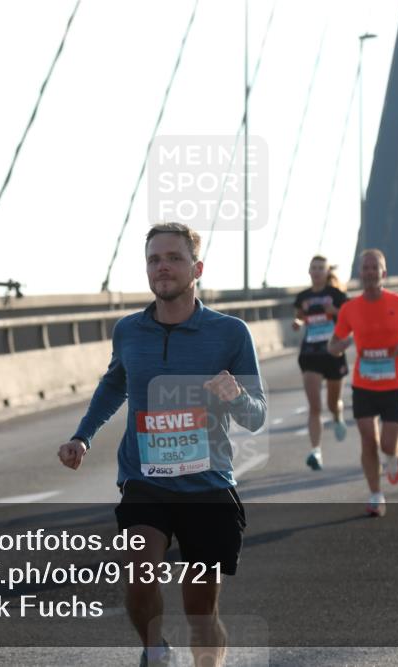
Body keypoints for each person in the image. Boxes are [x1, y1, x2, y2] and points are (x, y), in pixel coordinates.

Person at [58, 222, 267, 667]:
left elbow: (257, 415)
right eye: (155, 259)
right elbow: (115, 384)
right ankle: (155, 650)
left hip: (207, 483)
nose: (163, 267)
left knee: (201, 612)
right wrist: (83, 436)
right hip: (145, 478)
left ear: (197, 269)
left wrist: (238, 397)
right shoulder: (129, 331)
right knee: (137, 575)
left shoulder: (230, 333)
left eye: (174, 258)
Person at [328, 249, 398, 517]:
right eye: (366, 268)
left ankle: (394, 456)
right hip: (364, 384)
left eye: (375, 268)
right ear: (360, 274)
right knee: (368, 440)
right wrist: (341, 345)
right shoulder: (350, 309)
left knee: (387, 444)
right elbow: (333, 345)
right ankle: (375, 494)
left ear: (384, 273)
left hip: (394, 384)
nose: (370, 272)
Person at [292, 255, 349, 471]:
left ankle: (337, 414)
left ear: (326, 272)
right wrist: (297, 323)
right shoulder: (303, 297)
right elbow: (300, 317)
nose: (316, 271)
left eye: (320, 268)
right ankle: (316, 451)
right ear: (309, 271)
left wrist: (335, 312)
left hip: (333, 353)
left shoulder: (336, 295)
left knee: (332, 403)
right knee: (315, 407)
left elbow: (350, 317)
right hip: (310, 354)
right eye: (313, 268)